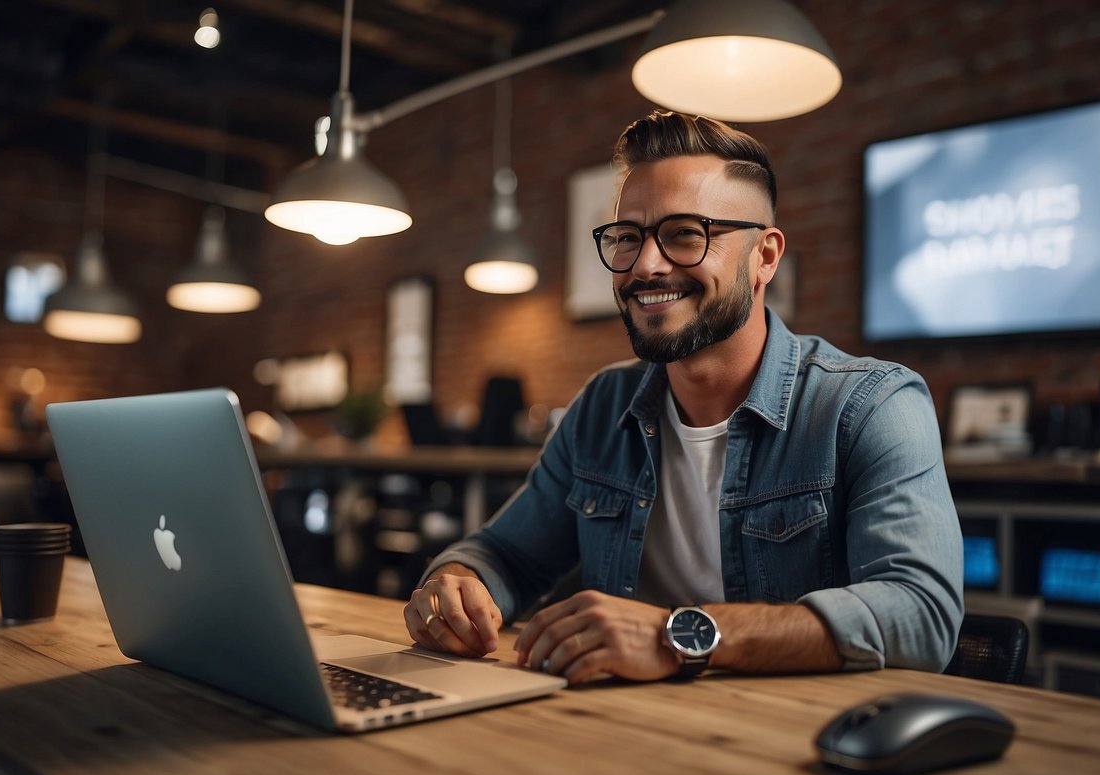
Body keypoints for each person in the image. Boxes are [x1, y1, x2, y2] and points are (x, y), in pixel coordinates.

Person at [404, 110, 963, 685]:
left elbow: (921, 614)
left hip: (806, 746)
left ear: (765, 256)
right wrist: (456, 583)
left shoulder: (871, 404)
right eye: (627, 238)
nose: (646, 265)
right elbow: (505, 554)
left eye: (685, 235)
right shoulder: (604, 405)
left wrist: (679, 635)